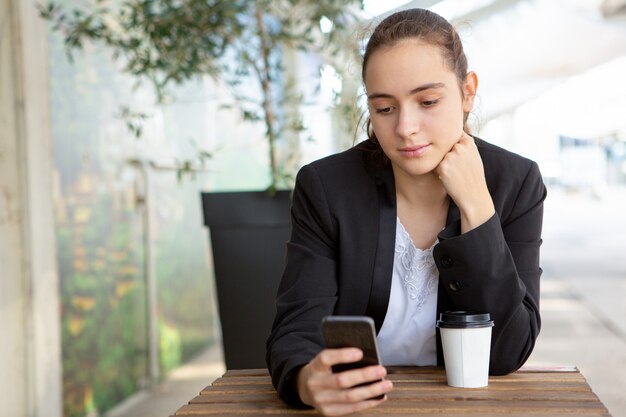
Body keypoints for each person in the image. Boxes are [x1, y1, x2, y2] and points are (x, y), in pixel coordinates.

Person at [266, 8, 547, 416]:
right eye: (384, 108)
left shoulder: (515, 182)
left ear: (468, 91)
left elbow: (506, 351)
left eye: (428, 101)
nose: (405, 128)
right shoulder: (327, 187)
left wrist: (478, 208)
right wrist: (308, 382)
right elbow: (295, 329)